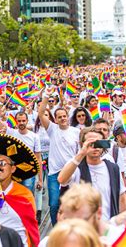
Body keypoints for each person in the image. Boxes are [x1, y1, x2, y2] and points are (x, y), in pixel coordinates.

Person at [57, 127, 126, 220]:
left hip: (109, 226)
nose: (95, 147)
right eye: (90, 143)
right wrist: (81, 153)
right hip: (83, 228)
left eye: (98, 143)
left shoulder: (113, 168)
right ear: (83, 144)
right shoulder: (75, 166)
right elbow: (61, 179)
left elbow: (122, 199)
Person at [38, 87, 80, 225]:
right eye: (59, 117)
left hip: (73, 174)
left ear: (67, 117)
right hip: (55, 174)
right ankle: (56, 229)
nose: (62, 118)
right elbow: (40, 113)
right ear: (55, 119)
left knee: (74, 203)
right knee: (55, 204)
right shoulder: (52, 129)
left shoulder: (76, 132)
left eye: (64, 116)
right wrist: (46, 96)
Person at [5, 112, 42, 194]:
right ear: (16, 121)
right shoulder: (11, 133)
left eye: (23, 120)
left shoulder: (35, 136)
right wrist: (1, 104)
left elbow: (38, 158)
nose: (21, 123)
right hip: (14, 171)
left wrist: (40, 180)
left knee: (27, 196)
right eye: (19, 121)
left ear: (27, 121)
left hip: (29, 171)